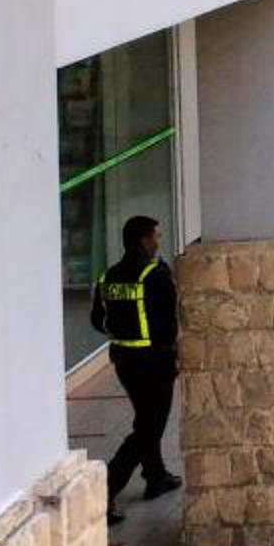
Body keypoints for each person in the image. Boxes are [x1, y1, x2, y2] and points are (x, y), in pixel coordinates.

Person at [90, 214, 182, 523]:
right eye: (155, 236)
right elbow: (170, 322)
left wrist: (123, 331)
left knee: (146, 419)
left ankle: (156, 476)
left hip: (124, 362)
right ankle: (105, 490)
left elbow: (97, 320)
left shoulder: (109, 277)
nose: (158, 241)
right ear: (143, 240)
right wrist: (173, 352)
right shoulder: (155, 275)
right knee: (148, 429)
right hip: (155, 363)